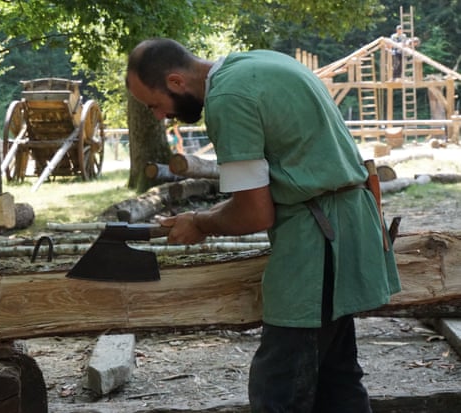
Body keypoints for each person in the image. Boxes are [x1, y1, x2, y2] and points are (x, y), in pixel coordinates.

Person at [126, 38, 401, 413]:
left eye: (154, 105)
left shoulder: (228, 99)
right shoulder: (258, 63)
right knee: (337, 382)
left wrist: (201, 224)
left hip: (316, 243)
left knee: (279, 390)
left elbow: (255, 214)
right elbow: (263, 191)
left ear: (176, 82)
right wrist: (196, 218)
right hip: (348, 226)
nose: (158, 116)